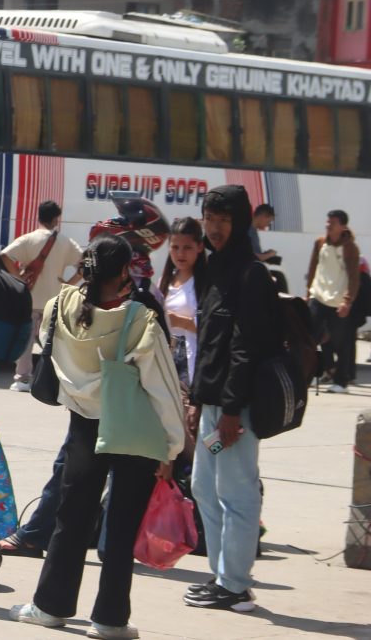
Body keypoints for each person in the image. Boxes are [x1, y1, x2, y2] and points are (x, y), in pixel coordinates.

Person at [9, 236, 185, 638]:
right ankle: (109, 619)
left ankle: (50, 606)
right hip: (134, 430)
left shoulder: (60, 307)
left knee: (71, 518)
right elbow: (163, 389)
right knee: (121, 528)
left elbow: (46, 350)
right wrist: (173, 446)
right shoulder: (140, 320)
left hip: (83, 427)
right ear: (124, 272)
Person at [185, 184, 279, 612]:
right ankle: (223, 576)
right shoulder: (215, 267)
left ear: (239, 223)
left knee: (237, 491)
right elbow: (210, 343)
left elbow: (246, 347)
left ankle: (236, 583)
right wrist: (198, 399)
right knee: (205, 487)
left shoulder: (250, 274)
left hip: (235, 408)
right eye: (211, 219)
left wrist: (233, 410)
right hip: (213, 403)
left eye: (224, 221)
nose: (215, 228)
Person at [0, 200, 85, 393]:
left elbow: (5, 255)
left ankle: (22, 379)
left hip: (30, 297)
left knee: (27, 340)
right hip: (54, 299)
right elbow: (84, 264)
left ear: (39, 215)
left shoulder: (29, 239)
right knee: (52, 341)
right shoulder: (65, 242)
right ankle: (51, 379)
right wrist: (69, 284)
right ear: (56, 218)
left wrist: (18, 278)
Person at [306, 209, 360, 393]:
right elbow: (313, 268)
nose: (328, 225)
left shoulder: (350, 248)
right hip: (318, 297)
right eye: (327, 222)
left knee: (341, 342)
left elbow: (354, 277)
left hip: (338, 302)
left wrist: (347, 301)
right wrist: (309, 293)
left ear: (343, 226)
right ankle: (311, 374)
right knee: (310, 337)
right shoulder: (320, 243)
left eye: (333, 223)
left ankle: (341, 381)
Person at [159, 217, 205, 387]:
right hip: (166, 362)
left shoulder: (205, 284)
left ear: (199, 247)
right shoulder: (164, 282)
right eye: (175, 247)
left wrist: (180, 322)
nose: (180, 254)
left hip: (193, 364)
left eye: (187, 248)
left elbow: (213, 330)